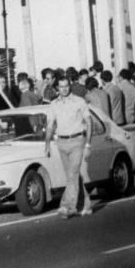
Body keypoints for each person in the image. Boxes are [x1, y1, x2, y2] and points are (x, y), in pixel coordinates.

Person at [45, 76, 92, 218]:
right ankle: (86, 205)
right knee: (72, 176)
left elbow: (89, 122)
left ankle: (67, 206)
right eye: (61, 87)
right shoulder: (54, 104)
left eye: (66, 86)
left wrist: (88, 144)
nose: (64, 89)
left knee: (73, 173)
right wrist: (47, 144)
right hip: (62, 143)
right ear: (57, 88)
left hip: (77, 141)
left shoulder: (79, 101)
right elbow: (49, 125)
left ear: (70, 86)